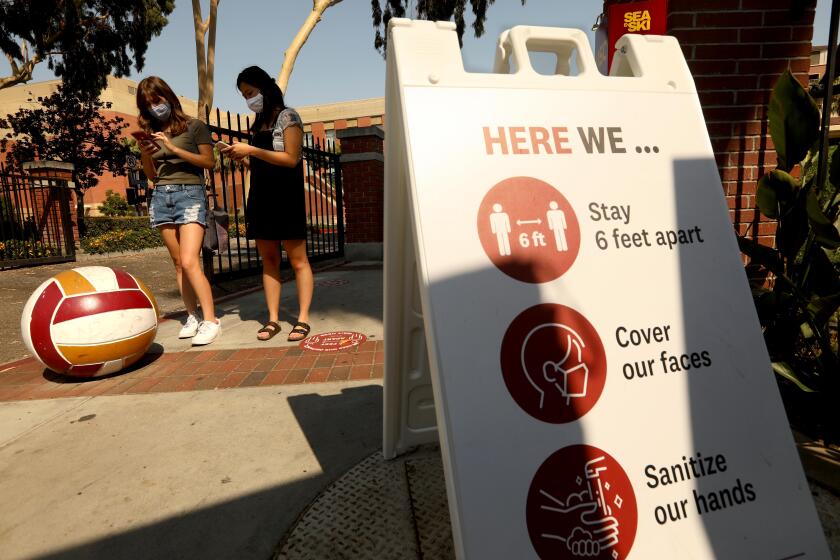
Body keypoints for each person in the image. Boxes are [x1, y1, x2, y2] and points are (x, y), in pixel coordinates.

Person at [223, 66, 314, 342]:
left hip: (285, 198)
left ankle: (303, 319)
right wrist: (245, 158)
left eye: (250, 92)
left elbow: (290, 159)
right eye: (243, 95)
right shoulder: (258, 122)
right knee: (270, 261)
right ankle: (273, 319)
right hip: (261, 198)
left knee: (298, 260)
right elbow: (265, 165)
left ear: (264, 87)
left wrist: (251, 149)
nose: (248, 99)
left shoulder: (288, 116)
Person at [135, 76, 221, 345]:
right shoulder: (152, 133)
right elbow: (151, 176)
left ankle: (211, 320)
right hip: (161, 196)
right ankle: (192, 315)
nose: (154, 107)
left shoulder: (194, 127)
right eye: (148, 104)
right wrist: (146, 152)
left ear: (168, 97)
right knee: (178, 264)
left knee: (189, 261)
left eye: (157, 101)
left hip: (190, 193)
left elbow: (209, 162)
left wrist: (172, 147)